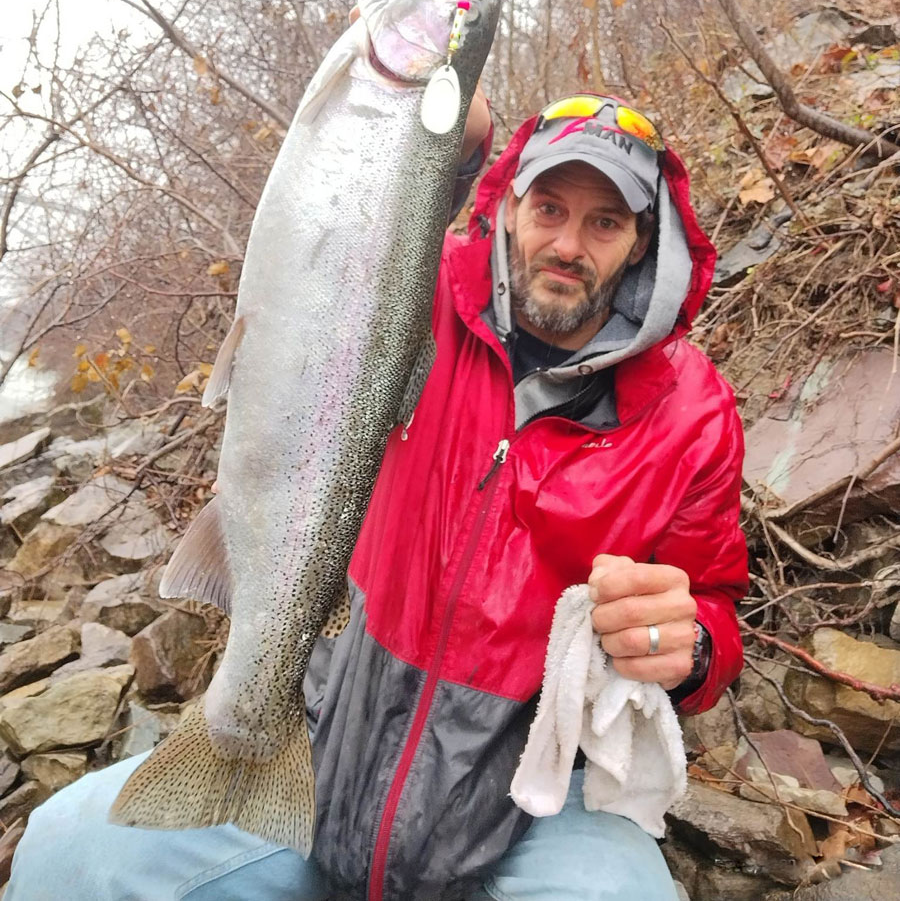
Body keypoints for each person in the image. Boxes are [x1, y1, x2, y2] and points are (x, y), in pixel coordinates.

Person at [6, 91, 747, 901]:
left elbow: (710, 603)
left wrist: (693, 647)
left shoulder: (694, 414)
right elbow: (351, 227)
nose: (568, 243)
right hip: (323, 732)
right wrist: (438, 139)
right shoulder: (412, 300)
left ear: (643, 242)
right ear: (505, 208)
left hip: (534, 790)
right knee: (65, 854)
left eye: (605, 222)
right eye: (549, 207)